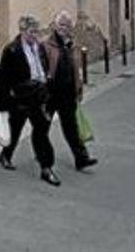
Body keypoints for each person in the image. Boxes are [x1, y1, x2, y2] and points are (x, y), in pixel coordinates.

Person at [0, 15, 61, 186]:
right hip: (20, 98)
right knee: (15, 129)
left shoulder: (39, 48)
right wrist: (2, 103)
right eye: (31, 32)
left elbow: (45, 67)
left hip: (38, 97)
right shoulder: (12, 50)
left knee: (41, 132)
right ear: (22, 31)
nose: (34, 35)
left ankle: (46, 168)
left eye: (36, 32)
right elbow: (2, 78)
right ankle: (6, 155)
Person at [43, 11, 98, 171]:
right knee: (43, 126)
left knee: (72, 128)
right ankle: (40, 152)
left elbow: (76, 70)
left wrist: (78, 89)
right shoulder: (46, 45)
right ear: (55, 25)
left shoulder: (71, 45)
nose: (63, 28)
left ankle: (82, 159)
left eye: (66, 25)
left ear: (70, 28)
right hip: (50, 94)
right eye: (61, 24)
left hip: (67, 95)